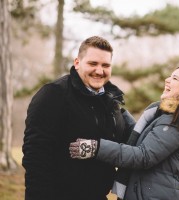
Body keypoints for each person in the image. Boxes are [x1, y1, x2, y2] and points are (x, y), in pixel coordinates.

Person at [69, 65, 179, 200]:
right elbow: (143, 138)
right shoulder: (168, 116)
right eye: (170, 76)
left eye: (175, 79)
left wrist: (96, 148)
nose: (167, 80)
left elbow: (143, 156)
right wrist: (118, 111)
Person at [22, 36, 135, 200]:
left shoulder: (111, 101)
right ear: (77, 63)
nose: (99, 70)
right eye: (93, 63)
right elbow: (36, 156)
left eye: (105, 65)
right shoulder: (54, 94)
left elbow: (125, 145)